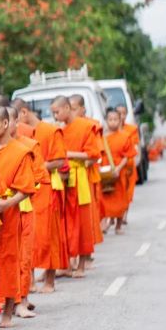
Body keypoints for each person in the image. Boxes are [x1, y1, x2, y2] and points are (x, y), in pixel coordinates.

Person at [0, 106, 36, 328]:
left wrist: (7, 203)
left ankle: (8, 311)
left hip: (9, 213)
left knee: (8, 261)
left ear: (5, 124)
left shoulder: (19, 151)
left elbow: (26, 188)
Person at [12, 98, 68, 293]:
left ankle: (50, 280)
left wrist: (37, 167)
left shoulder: (50, 131)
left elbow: (60, 160)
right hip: (27, 188)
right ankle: (31, 280)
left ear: (24, 113)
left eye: (15, 118)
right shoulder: (19, 136)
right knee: (29, 236)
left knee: (48, 234)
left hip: (47, 187)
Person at [50, 95, 100, 278]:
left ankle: (81, 264)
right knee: (65, 223)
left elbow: (94, 155)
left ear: (66, 108)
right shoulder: (59, 130)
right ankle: (67, 264)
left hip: (80, 179)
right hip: (64, 179)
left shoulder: (85, 126)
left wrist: (68, 154)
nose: (55, 117)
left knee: (81, 220)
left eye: (57, 112)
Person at [7, 106, 47, 318]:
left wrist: (20, 189)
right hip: (0, 209)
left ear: (15, 123)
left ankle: (21, 300)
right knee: (5, 259)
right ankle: (7, 301)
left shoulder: (29, 146)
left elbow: (39, 177)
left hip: (22, 205)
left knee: (23, 256)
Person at [69, 94, 105, 254]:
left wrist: (77, 162)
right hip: (69, 177)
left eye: (74, 109)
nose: (72, 112)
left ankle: (86, 254)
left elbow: (96, 154)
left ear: (82, 109)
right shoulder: (62, 128)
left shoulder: (91, 126)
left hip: (86, 175)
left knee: (87, 215)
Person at [101, 108, 137, 234]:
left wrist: (118, 168)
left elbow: (128, 155)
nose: (113, 122)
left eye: (115, 119)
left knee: (121, 199)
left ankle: (118, 225)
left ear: (120, 120)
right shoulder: (102, 138)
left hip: (119, 172)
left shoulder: (125, 136)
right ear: (106, 121)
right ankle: (104, 223)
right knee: (104, 198)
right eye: (110, 120)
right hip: (105, 172)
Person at [116, 105, 140, 215]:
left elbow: (134, 147)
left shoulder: (132, 129)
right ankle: (114, 215)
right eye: (119, 113)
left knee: (127, 191)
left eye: (124, 113)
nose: (121, 116)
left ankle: (124, 214)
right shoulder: (109, 131)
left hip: (128, 164)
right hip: (115, 165)